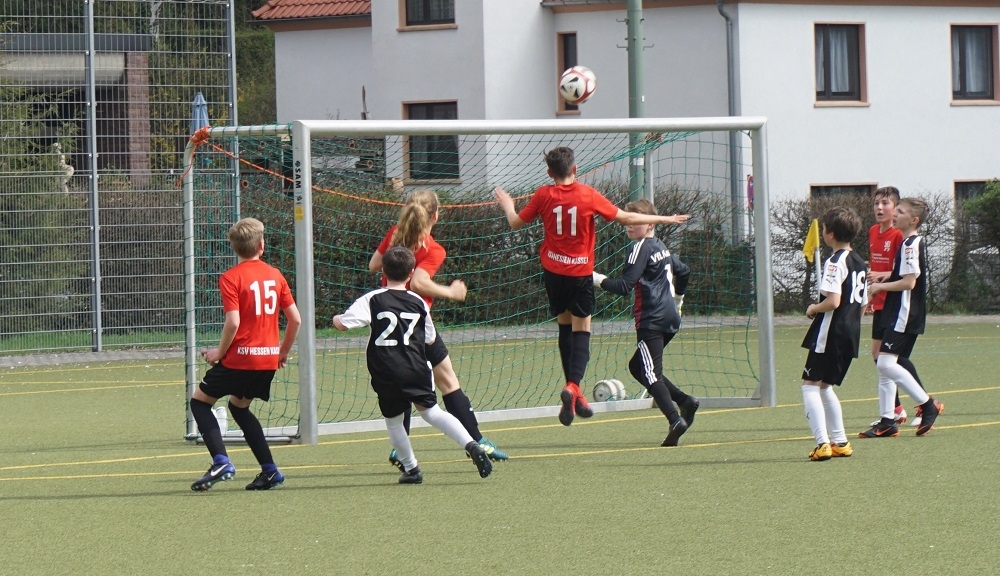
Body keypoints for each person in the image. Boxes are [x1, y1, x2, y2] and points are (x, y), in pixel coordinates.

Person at [494, 146, 690, 426]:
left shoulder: (543, 194)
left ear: (549, 173)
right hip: (579, 274)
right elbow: (626, 217)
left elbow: (515, 223)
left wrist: (507, 204)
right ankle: (573, 385)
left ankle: (576, 393)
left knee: (564, 328)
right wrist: (663, 218)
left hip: (553, 274)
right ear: (575, 169)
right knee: (582, 331)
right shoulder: (587, 195)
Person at [368, 190, 508, 468]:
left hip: (387, 322)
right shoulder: (433, 248)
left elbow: (374, 265)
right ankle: (477, 441)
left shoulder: (394, 234)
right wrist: (451, 292)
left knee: (400, 381)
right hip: (417, 326)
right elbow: (418, 283)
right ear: (435, 216)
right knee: (447, 380)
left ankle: (400, 448)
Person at [335, 246, 493, 484]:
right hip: (416, 367)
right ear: (410, 273)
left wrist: (337, 318)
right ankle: (471, 444)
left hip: (385, 370)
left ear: (384, 271)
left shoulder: (372, 299)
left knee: (394, 421)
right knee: (432, 412)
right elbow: (429, 339)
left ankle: (412, 469)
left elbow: (343, 325)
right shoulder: (418, 301)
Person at [190, 217, 301, 491]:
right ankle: (270, 471)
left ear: (234, 247)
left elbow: (234, 322)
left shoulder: (231, 277)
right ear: (262, 245)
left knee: (199, 403)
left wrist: (218, 353)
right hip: (267, 359)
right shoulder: (276, 275)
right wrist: (282, 352)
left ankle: (221, 461)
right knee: (239, 407)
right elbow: (295, 319)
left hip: (241, 358)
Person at [592, 198, 697, 446]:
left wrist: (594, 278)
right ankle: (685, 402)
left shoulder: (640, 247)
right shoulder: (661, 246)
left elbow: (623, 286)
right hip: (670, 316)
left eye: (634, 220)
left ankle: (675, 420)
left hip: (652, 318)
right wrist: (678, 299)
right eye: (627, 220)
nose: (628, 224)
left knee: (651, 374)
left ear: (649, 224)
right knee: (638, 367)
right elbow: (684, 271)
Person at [861, 197, 943, 438]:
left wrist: (879, 287)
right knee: (884, 365)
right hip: (897, 312)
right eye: (895, 210)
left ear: (914, 220)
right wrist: (887, 277)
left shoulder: (910, 245)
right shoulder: (908, 242)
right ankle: (887, 421)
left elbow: (909, 283)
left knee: (886, 363)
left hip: (904, 313)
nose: (894, 214)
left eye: (900, 211)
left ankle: (928, 404)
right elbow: (905, 275)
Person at [799, 206, 867, 461]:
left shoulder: (835, 262)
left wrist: (813, 308)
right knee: (825, 386)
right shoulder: (859, 262)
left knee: (810, 386)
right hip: (850, 333)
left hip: (830, 333)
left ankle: (822, 444)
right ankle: (840, 442)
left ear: (830, 234)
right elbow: (863, 305)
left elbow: (833, 301)